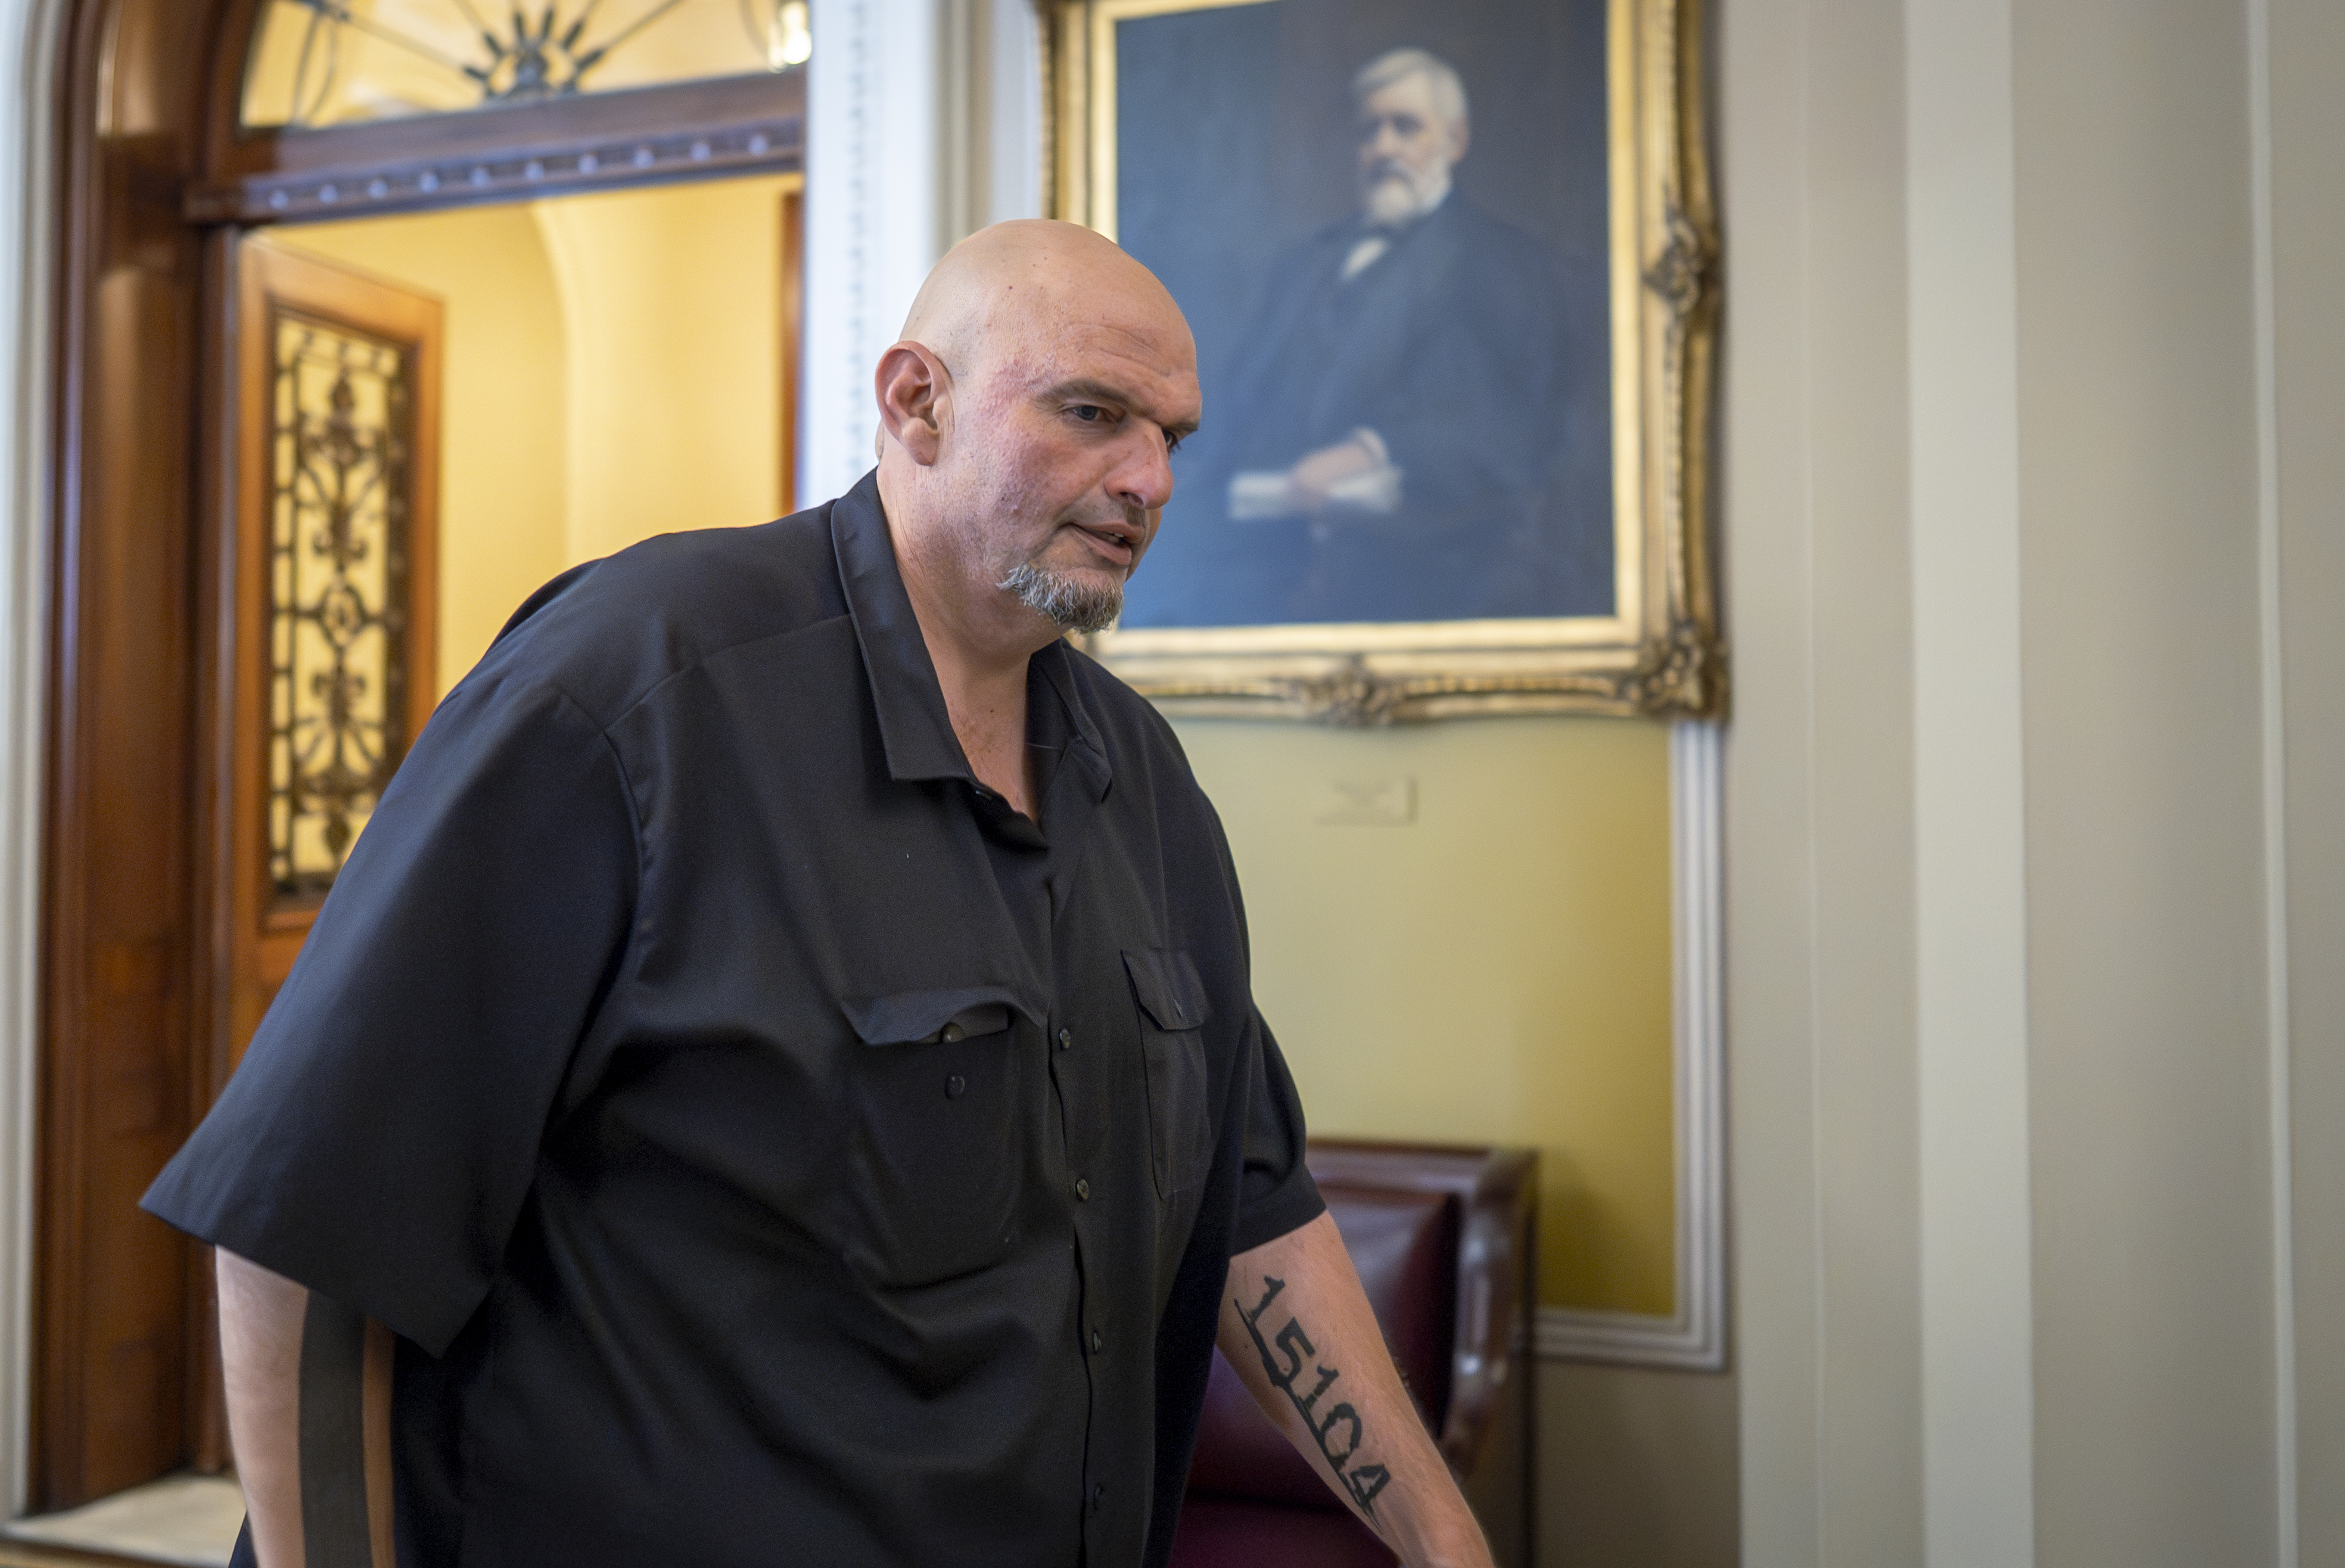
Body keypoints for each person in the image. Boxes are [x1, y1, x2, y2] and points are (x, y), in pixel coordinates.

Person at [143, 220, 1495, 1568]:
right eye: (1092, 413)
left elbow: (1253, 1207)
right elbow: (310, 1235)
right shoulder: (633, 690)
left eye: (1171, 439)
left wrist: (1442, 1539)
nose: (1146, 478)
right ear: (916, 402)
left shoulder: (1141, 784)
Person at [1124, 47, 1610, 629]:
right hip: (1266, 543)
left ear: (1454, 141)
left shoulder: (1502, 263)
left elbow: (1505, 421)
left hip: (1427, 553)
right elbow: (1238, 398)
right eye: (1369, 131)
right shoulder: (1306, 266)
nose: (1384, 149)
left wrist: (1369, 451)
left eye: (1405, 128)